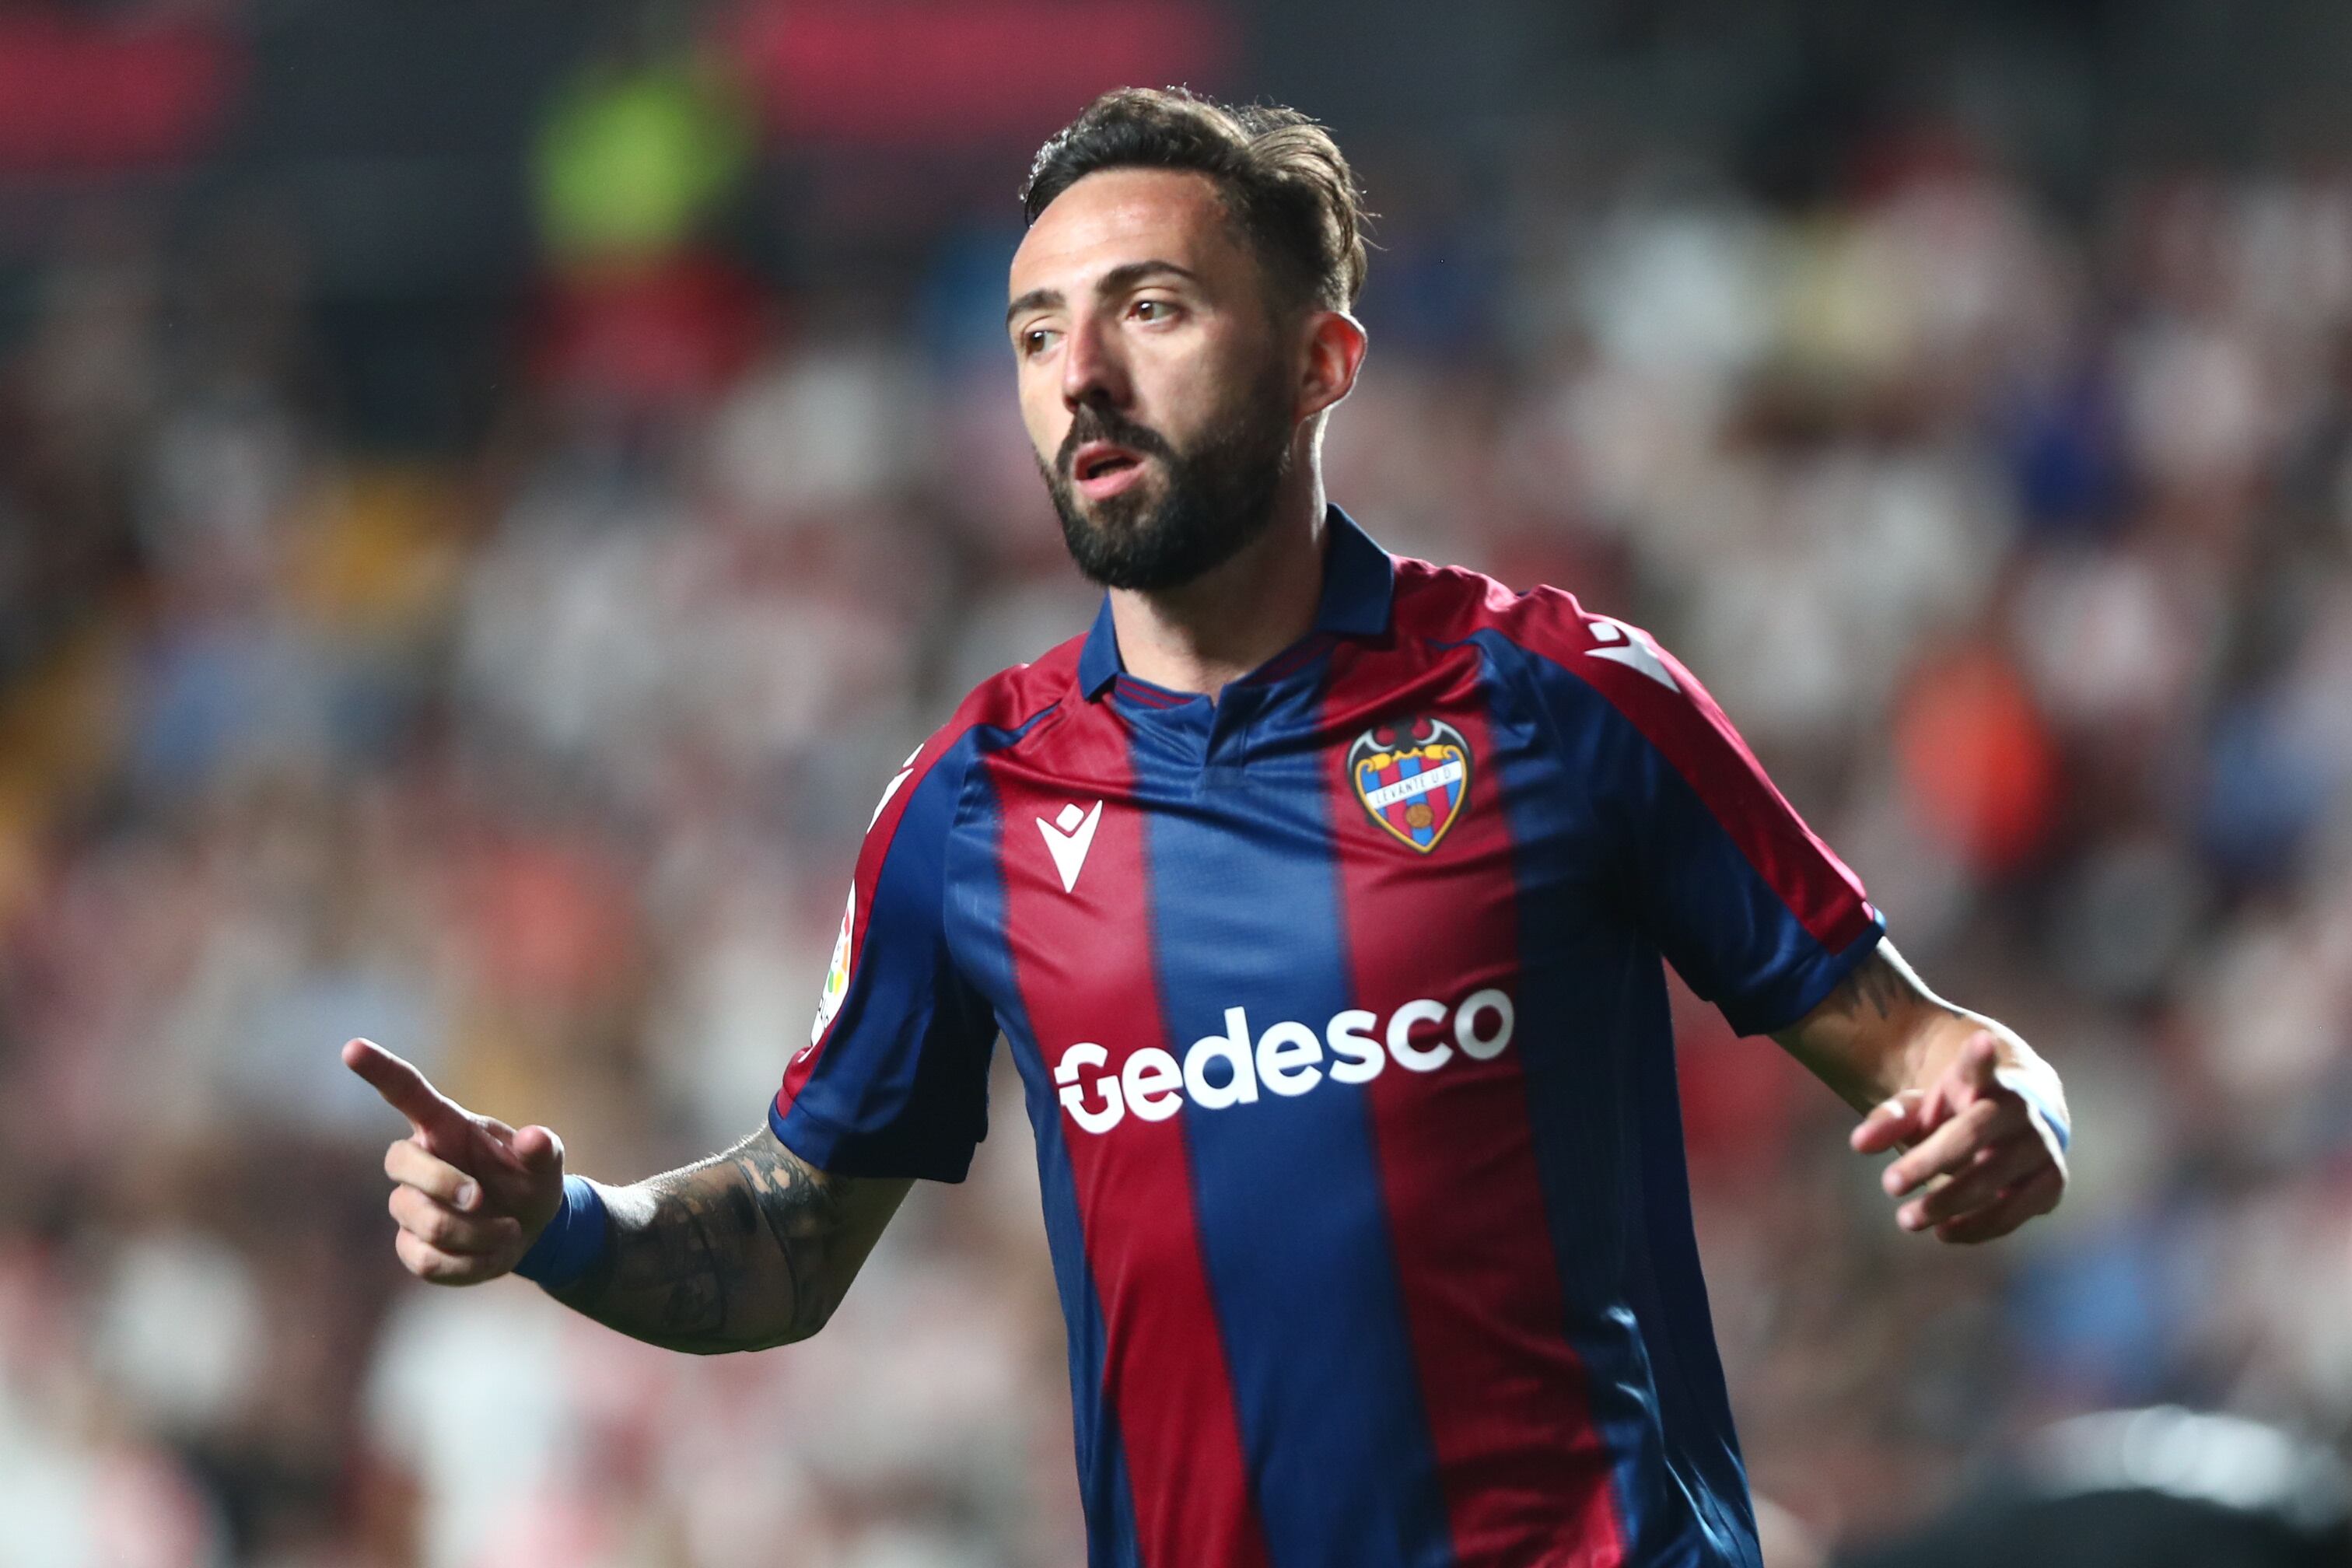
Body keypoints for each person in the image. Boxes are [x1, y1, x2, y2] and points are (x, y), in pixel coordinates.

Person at [345, 86, 2072, 1568]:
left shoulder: (1553, 694)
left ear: (1323, 359)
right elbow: (790, 1248)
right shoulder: (972, 806)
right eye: (1035, 333)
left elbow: (1933, 1047)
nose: (1081, 374)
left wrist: (2005, 1116)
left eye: (1150, 308)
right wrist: (559, 1227)